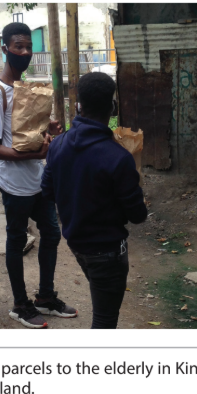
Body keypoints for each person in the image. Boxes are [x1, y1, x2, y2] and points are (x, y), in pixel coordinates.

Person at [0, 22, 76, 328]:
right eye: (18, 46)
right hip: (14, 183)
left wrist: (49, 132)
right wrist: (36, 154)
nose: (24, 52)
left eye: (28, 47)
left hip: (38, 179)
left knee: (50, 233)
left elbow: (30, 133)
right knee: (16, 238)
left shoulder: (28, 89)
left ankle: (45, 298)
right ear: (5, 47)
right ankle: (20, 305)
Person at [41, 73, 148, 329]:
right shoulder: (118, 157)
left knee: (102, 309)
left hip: (77, 244)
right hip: (108, 251)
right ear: (112, 107)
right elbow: (137, 215)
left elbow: (47, 191)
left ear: (78, 105)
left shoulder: (58, 145)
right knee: (104, 320)